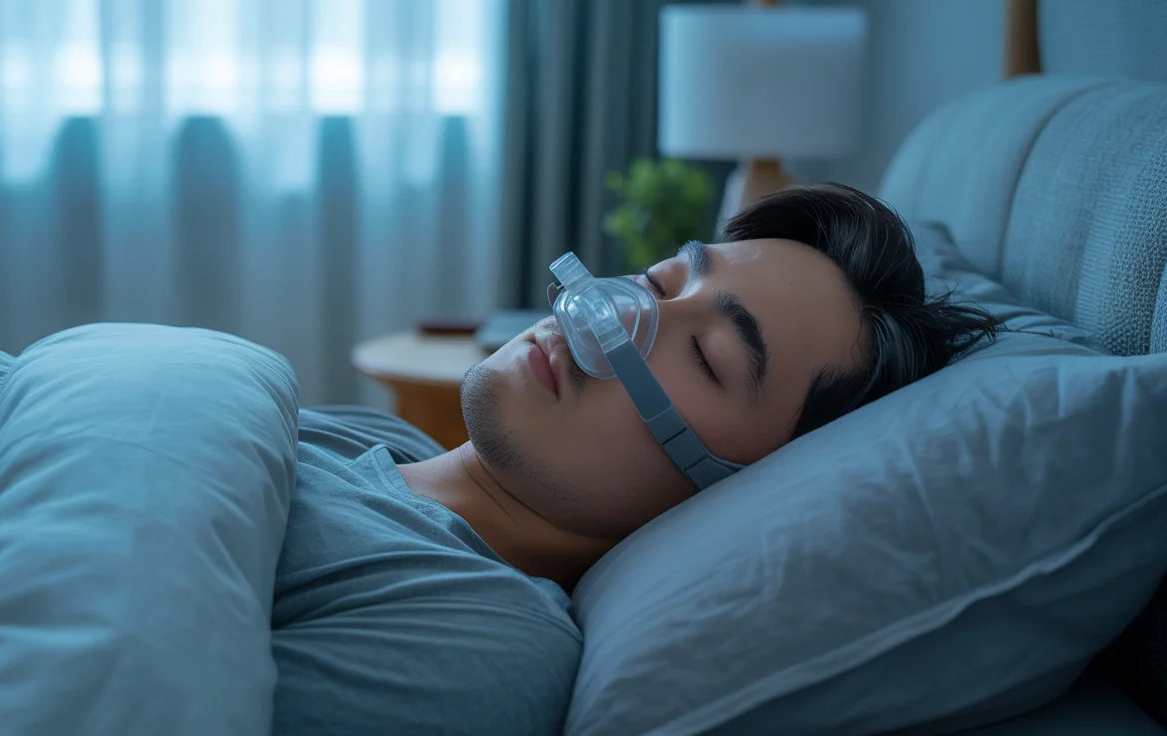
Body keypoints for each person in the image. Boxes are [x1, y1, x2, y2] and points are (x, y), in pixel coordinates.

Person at [272, 183, 1000, 732]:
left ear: (743, 487)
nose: (612, 316)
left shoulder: (473, 641)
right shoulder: (364, 438)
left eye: (707, 358)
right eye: (658, 284)